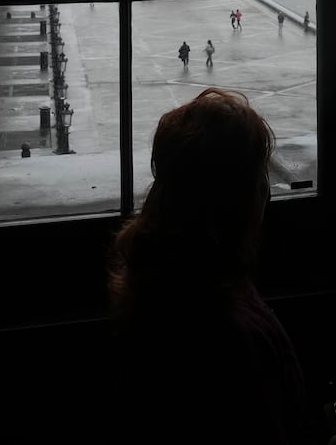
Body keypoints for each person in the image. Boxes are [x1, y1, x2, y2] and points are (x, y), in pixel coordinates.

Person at [106, 88, 318, 444]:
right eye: (259, 177)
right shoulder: (229, 333)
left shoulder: (163, 281)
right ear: (237, 199)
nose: (267, 190)